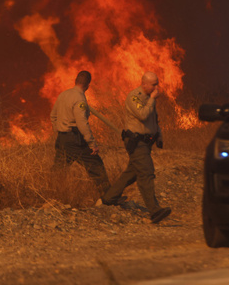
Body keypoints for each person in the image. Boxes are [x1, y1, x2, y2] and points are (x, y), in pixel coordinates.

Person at [102, 72, 172, 224]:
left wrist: (159, 136)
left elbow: (154, 119)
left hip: (146, 143)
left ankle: (109, 197)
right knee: (146, 173)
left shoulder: (149, 99)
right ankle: (154, 211)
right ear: (144, 83)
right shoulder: (134, 96)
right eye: (153, 84)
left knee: (132, 172)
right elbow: (142, 115)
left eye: (157, 84)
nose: (156, 88)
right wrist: (152, 99)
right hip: (136, 141)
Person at [50, 70, 111, 198]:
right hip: (75, 139)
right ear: (88, 85)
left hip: (62, 139)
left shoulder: (63, 95)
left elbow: (53, 116)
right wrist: (92, 144)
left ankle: (52, 196)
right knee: (96, 165)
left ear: (75, 81)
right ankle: (109, 197)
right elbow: (82, 123)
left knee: (59, 169)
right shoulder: (79, 98)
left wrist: (60, 130)